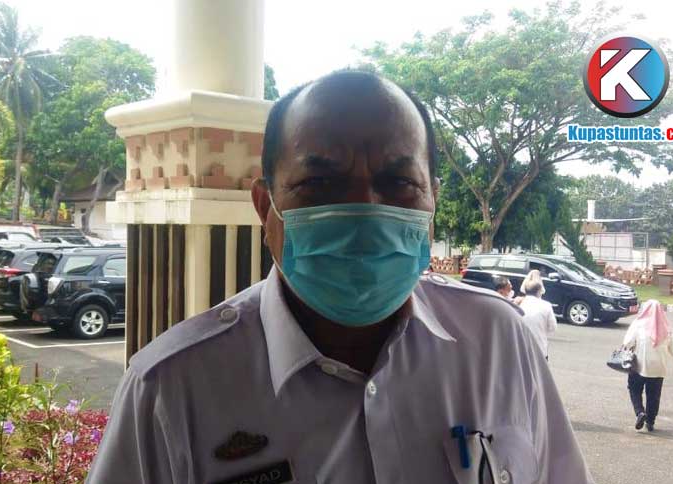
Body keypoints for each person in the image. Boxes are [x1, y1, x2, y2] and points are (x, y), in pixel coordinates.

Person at [87, 70, 593, 483]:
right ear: (265, 207)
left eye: (398, 181)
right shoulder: (171, 389)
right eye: (320, 182)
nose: (364, 212)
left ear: (432, 201)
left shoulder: (500, 342)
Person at [622, 299, 673, 432]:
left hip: (640, 366)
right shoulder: (667, 329)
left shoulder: (638, 324)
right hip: (659, 368)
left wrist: (628, 347)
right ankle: (650, 422)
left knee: (634, 388)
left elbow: (628, 342)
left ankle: (640, 412)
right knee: (653, 395)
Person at [518, 270, 558, 359]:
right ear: (539, 291)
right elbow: (553, 327)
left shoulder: (518, 303)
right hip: (540, 348)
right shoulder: (546, 305)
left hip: (520, 349)